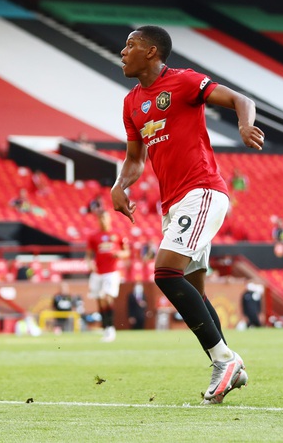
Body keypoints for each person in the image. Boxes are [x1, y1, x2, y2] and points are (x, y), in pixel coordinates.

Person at [110, 25, 265, 404]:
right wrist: (119, 185)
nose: (122, 51)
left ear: (151, 51)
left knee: (164, 272)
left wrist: (245, 125)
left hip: (203, 191)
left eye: (130, 45)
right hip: (175, 203)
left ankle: (223, 359)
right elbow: (135, 160)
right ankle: (231, 365)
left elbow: (241, 99)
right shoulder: (132, 103)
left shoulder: (183, 82)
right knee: (192, 290)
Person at [85, 210, 130, 342]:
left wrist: (119, 254)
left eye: (105, 218)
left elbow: (126, 252)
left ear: (109, 219)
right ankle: (105, 327)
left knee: (106, 297)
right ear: (98, 220)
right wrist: (89, 264)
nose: (103, 221)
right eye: (101, 219)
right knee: (99, 299)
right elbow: (88, 255)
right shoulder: (94, 237)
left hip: (112, 272)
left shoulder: (117, 234)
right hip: (98, 273)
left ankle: (110, 328)